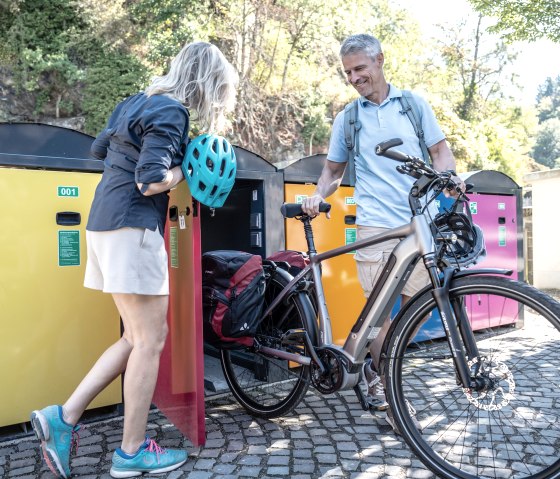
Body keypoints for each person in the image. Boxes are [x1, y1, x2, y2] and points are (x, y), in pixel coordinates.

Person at [30, 41, 238, 478]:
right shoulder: (172, 112)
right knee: (150, 340)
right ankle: (130, 453)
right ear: (205, 82)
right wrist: (188, 170)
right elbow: (151, 181)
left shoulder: (135, 102)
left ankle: (62, 417)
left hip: (104, 224)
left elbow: (99, 150)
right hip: (133, 227)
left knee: (136, 337)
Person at [301, 33, 463, 432]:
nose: (355, 78)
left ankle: (380, 373)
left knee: (415, 308)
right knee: (380, 315)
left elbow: (440, 150)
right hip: (375, 224)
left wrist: (450, 178)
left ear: (380, 60)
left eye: (360, 68)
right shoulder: (349, 118)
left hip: (419, 221)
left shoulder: (412, 105)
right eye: (348, 72)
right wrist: (315, 196)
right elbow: (333, 172)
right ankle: (391, 396)